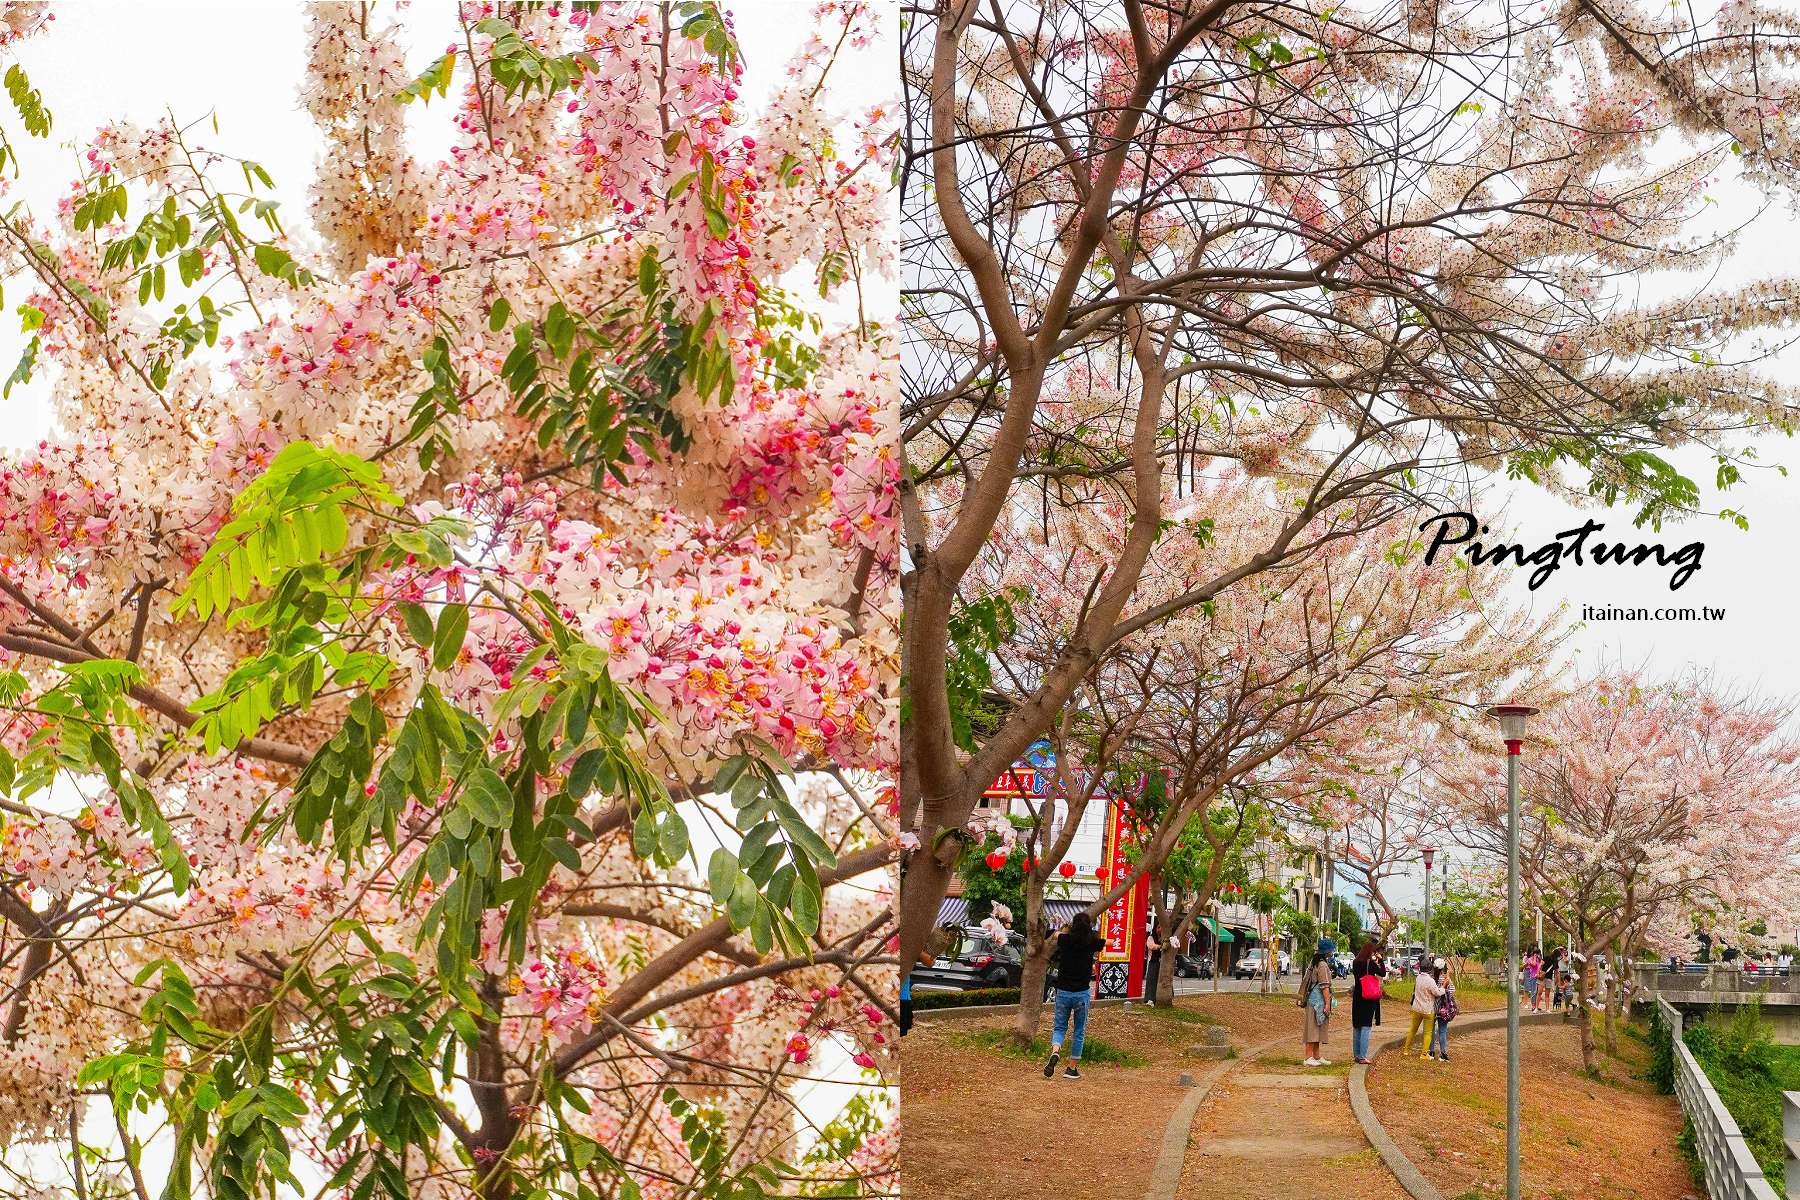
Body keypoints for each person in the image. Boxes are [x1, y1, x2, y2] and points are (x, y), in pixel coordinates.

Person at [1043, 912, 1103, 1080]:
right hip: (1081, 994)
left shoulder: (1065, 940)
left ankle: (1055, 1051)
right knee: (1078, 1031)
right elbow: (1108, 942)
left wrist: (1065, 929)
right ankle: (1071, 1068)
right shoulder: (1092, 942)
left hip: (1063, 992)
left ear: (1073, 926)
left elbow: (1055, 934)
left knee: (1060, 1027)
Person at [1299, 942, 1335, 1066]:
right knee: (1313, 1028)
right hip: (1318, 1001)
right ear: (1327, 952)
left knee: (1317, 1028)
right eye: (1331, 950)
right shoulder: (1323, 965)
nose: (1333, 952)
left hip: (1312, 1000)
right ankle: (1308, 1057)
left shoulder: (1315, 962)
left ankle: (1316, 1055)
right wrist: (1327, 1004)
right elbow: (1324, 986)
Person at [1350, 938, 1385, 1064]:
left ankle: (1357, 1054)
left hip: (1357, 996)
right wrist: (1381, 960)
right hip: (1368, 997)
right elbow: (1382, 973)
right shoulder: (1370, 964)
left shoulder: (1355, 962)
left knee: (1357, 1025)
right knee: (1366, 1026)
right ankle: (1363, 1055)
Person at [1405, 955, 1444, 1056]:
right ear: (1430, 969)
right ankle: (1424, 1054)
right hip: (1427, 1010)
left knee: (1412, 1029)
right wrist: (1443, 988)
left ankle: (1406, 1050)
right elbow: (1437, 993)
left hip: (1416, 1008)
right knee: (1427, 1033)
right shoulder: (1430, 981)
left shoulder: (1418, 978)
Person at [1428, 959, 1456, 1061]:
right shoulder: (1445, 979)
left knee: (1431, 1031)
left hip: (1431, 1008)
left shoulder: (1431, 978)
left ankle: (1430, 1052)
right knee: (1442, 1031)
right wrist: (1447, 978)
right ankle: (1443, 1054)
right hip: (1443, 1009)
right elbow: (1452, 991)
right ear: (1443, 968)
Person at [1523, 948, 1543, 1012]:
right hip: (1533, 977)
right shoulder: (1529, 959)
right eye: (1537, 954)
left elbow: (1541, 964)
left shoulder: (1538, 959)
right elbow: (1534, 964)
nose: (1538, 955)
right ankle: (1533, 1006)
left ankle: (1537, 1005)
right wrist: (1534, 957)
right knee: (1533, 992)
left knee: (1538, 992)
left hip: (1538, 977)